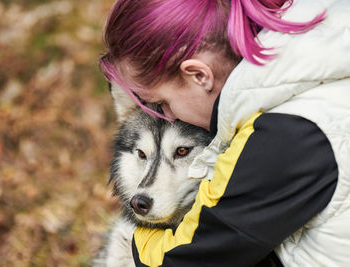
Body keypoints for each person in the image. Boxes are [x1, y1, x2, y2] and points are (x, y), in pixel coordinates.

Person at [100, 0, 350, 266]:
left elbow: (186, 259)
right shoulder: (311, 57)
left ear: (199, 76)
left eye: (164, 103)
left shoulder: (286, 135)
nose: (168, 116)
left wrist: (129, 245)